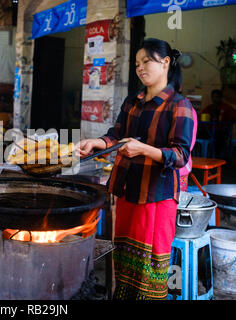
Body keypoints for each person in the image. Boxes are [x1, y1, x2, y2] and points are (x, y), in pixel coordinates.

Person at [77, 38, 195, 300]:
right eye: (137, 63)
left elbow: (180, 155)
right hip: (128, 190)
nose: (140, 68)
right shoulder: (133, 101)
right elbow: (116, 135)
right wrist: (96, 143)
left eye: (147, 61)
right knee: (125, 264)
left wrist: (143, 149)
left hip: (157, 195)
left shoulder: (179, 105)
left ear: (165, 63)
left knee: (150, 269)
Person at [199, 89, 236, 158]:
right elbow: (201, 116)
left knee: (219, 140)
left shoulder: (226, 107)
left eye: (216, 97)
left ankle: (217, 158)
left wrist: (227, 125)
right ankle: (201, 157)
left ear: (220, 97)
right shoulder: (209, 107)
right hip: (209, 131)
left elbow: (234, 117)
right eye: (213, 97)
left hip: (221, 133)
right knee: (199, 135)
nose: (214, 99)